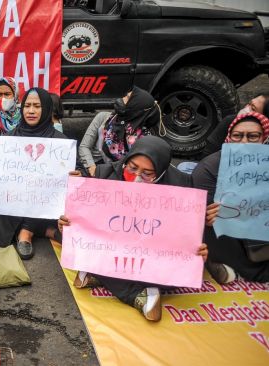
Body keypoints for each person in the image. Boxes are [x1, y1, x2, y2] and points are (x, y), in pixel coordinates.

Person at [58, 136, 208, 321]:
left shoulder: (182, 186)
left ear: (161, 172)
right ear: (126, 161)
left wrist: (196, 250)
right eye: (132, 168)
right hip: (114, 247)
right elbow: (86, 226)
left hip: (153, 251)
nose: (137, 178)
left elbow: (185, 235)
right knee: (90, 252)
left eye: (147, 173)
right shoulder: (103, 175)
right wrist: (67, 225)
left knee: (175, 275)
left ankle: (100, 275)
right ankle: (138, 294)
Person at [0, 88, 76, 260]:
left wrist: (76, 175)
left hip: (43, 199)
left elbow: (76, 172)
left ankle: (27, 232)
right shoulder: (10, 138)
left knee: (49, 190)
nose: (31, 111)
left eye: (37, 106)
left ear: (46, 108)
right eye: (27, 106)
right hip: (14, 198)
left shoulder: (61, 142)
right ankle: (45, 230)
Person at [192, 112, 269, 284]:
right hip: (227, 233)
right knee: (213, 223)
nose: (244, 142)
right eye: (237, 136)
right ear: (228, 138)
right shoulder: (208, 169)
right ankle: (246, 269)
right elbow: (211, 215)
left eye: (253, 136)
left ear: (264, 139)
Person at [79, 87, 160, 176]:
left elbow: (135, 168)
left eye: (128, 98)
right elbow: (84, 147)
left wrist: (106, 174)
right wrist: (92, 167)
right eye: (125, 96)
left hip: (118, 175)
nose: (122, 99)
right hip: (93, 167)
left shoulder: (143, 139)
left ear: (136, 106)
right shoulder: (103, 118)